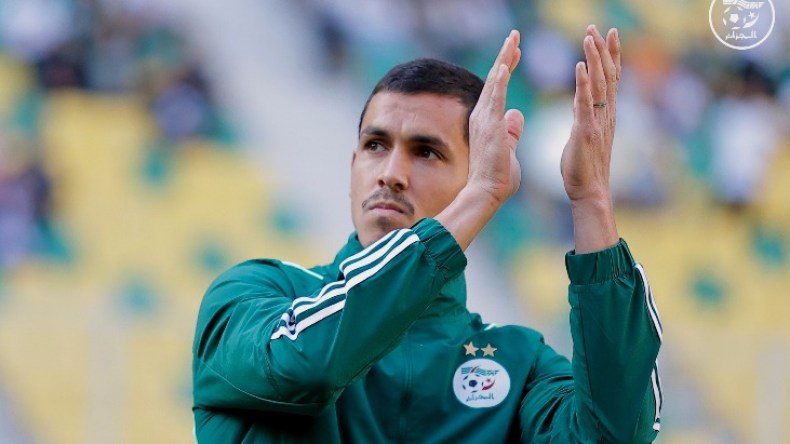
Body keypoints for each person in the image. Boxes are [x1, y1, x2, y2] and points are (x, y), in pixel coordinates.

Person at [192, 25, 663, 443]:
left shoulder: (521, 366)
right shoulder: (251, 296)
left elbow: (614, 436)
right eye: (375, 146)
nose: (391, 173)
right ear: (353, 166)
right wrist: (482, 194)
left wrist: (590, 199)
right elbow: (310, 367)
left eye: (426, 153)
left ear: (480, 171)